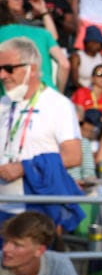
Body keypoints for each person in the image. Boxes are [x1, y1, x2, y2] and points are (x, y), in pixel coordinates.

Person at [0, 36, 82, 230]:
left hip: (35, 211)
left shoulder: (58, 105)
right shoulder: (3, 103)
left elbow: (73, 156)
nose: (2, 75)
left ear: (33, 69)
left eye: (9, 68)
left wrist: (24, 167)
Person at [0, 210, 82, 275]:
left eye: (17, 245)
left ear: (39, 250)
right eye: (6, 241)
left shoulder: (59, 264)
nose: (5, 248)